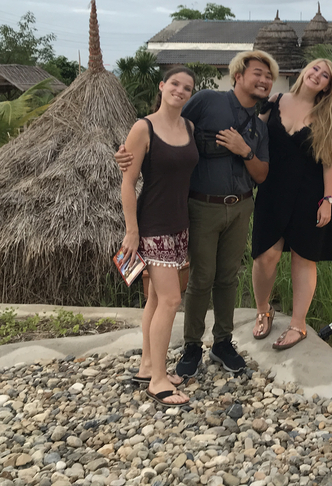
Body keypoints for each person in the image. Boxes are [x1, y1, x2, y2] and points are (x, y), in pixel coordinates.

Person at [116, 50, 276, 378]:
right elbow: (166, 122)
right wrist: (128, 152)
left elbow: (262, 174)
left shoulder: (261, 128)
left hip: (242, 205)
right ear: (238, 76)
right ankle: (191, 346)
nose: (263, 80)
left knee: (228, 277)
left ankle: (222, 342)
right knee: (201, 278)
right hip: (201, 206)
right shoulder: (205, 101)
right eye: (257, 72)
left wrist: (242, 149)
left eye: (269, 76)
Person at [250, 58, 332, 349]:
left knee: (304, 259)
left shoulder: (327, 116)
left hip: (309, 194)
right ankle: (264, 309)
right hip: (272, 190)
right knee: (266, 256)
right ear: (305, 71)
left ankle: (298, 324)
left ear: (329, 86)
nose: (317, 75)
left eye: (325, 75)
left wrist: (327, 200)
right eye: (315, 68)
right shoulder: (276, 101)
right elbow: (252, 137)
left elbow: (330, 162)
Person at [118, 66, 199, 405]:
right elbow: (127, 180)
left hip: (179, 225)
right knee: (170, 300)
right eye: (175, 84)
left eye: (187, 88)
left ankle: (147, 366)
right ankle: (159, 381)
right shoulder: (144, 127)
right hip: (152, 227)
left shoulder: (189, 126)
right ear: (163, 86)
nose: (180, 91)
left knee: (155, 299)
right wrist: (132, 230)